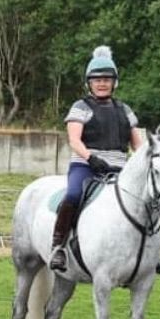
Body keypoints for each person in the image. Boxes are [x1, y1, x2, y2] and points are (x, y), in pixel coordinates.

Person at [49, 46, 145, 273]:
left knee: (147, 199)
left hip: (120, 169)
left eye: (107, 79)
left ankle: (150, 252)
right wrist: (91, 159)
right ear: (89, 83)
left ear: (115, 82)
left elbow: (137, 144)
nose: (102, 83)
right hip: (86, 166)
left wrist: (139, 162)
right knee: (73, 195)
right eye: (97, 80)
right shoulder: (80, 107)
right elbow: (74, 140)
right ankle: (59, 247)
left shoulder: (125, 110)